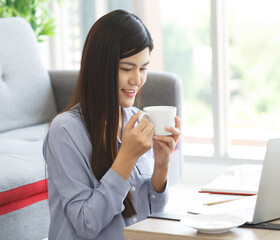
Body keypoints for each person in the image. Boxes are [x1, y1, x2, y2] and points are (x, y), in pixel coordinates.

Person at [43, 9, 181, 240]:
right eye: (127, 68)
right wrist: (127, 156)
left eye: (143, 68)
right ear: (100, 67)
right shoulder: (65, 131)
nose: (137, 80)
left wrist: (162, 165)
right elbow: (86, 224)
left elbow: (153, 217)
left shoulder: (137, 120)